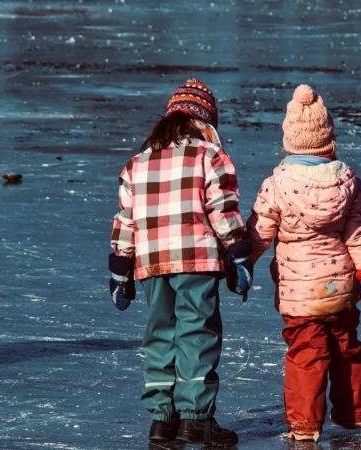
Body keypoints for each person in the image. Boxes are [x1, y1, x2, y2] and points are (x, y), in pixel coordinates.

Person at [108, 78, 251, 447]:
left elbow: (126, 220)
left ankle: (161, 421)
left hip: (152, 264)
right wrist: (239, 255)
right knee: (197, 335)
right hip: (197, 260)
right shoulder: (210, 156)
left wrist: (120, 271)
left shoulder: (137, 163)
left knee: (159, 335)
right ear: (205, 121)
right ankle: (195, 420)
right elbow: (223, 213)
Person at [246, 84, 361, 442]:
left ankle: (305, 427)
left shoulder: (277, 183)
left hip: (299, 293)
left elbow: (260, 233)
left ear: (290, 141)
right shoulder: (347, 180)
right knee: (346, 347)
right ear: (328, 138)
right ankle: (353, 415)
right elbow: (358, 233)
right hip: (339, 288)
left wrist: (242, 262)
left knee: (307, 355)